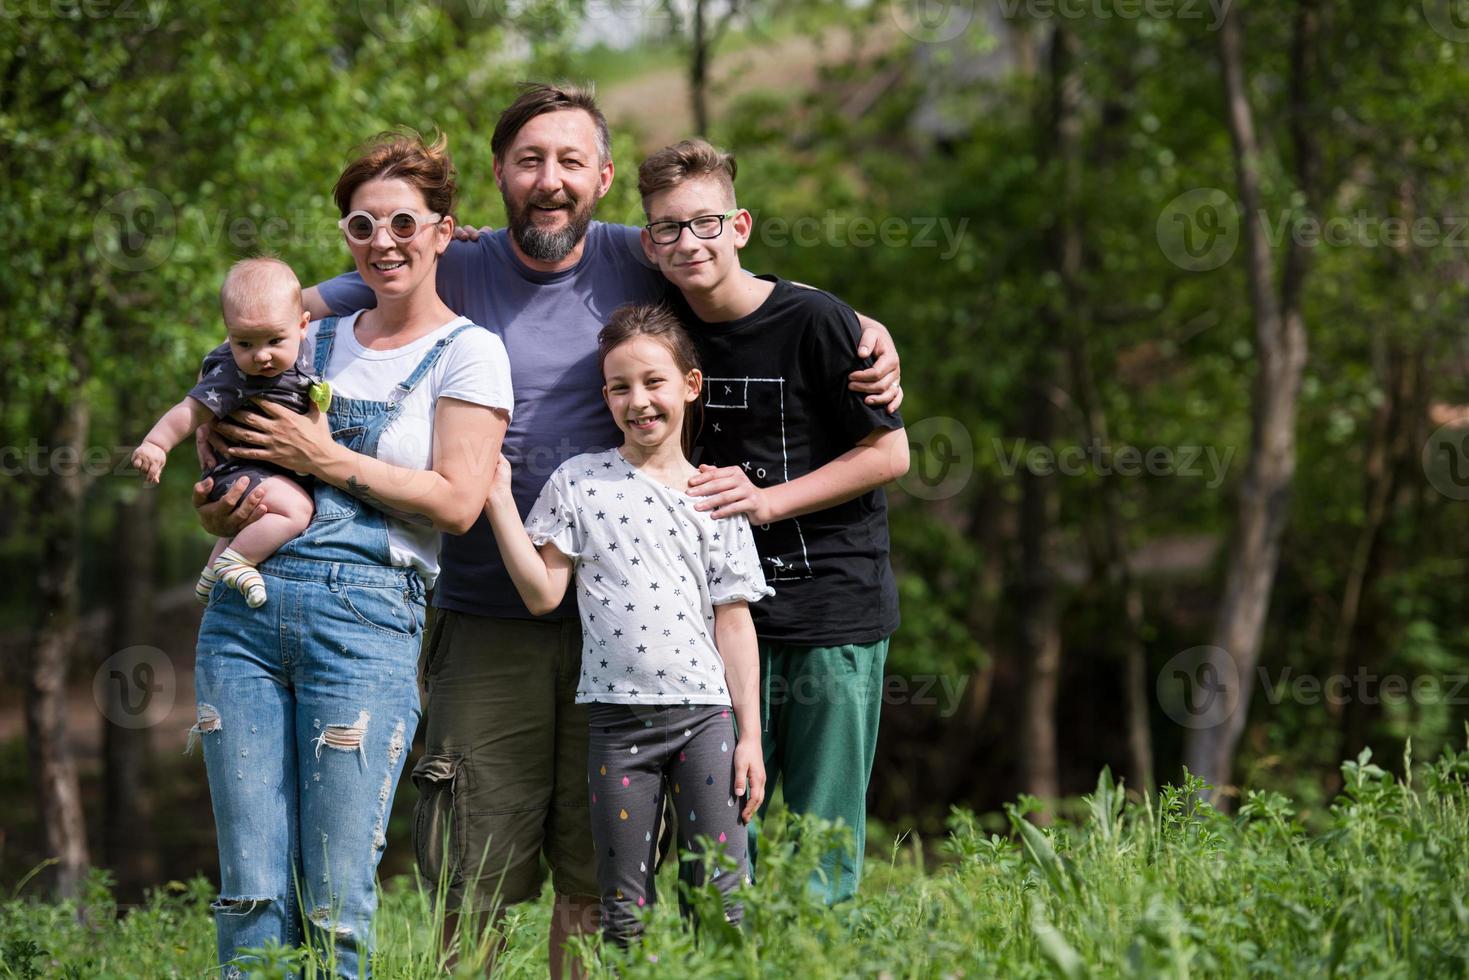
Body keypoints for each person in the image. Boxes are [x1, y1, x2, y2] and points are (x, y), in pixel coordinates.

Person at [212, 84, 898, 976]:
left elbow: (740, 281)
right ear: (498, 173)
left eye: (571, 161)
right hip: (485, 615)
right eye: (529, 160)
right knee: (474, 863)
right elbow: (290, 307)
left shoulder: (641, 256)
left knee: (597, 872)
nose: (550, 181)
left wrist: (859, 329)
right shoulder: (451, 261)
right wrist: (226, 406)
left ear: (604, 177)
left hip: (625, 634)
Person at [188, 130, 512, 978]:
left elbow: (458, 500)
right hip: (244, 618)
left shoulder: (470, 353)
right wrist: (219, 496)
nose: (383, 243)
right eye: (362, 226)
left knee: (334, 901)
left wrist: (327, 461)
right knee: (250, 891)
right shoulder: (303, 334)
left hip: (366, 622)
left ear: (445, 229)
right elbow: (226, 451)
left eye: (404, 222)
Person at [638, 138, 910, 905]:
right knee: (717, 853)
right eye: (666, 228)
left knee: (821, 852)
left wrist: (766, 500)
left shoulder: (817, 320)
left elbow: (888, 456)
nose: (688, 241)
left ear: (741, 225)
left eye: (704, 223)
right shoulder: (661, 331)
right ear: (649, 244)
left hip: (829, 611)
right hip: (712, 627)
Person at [485, 303, 770, 947]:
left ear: (690, 386)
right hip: (616, 725)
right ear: (606, 396)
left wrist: (750, 736)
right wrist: (499, 501)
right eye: (619, 387)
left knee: (723, 895)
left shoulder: (716, 493)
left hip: (707, 719)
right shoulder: (578, 483)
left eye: (653, 382)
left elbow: (735, 623)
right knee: (621, 910)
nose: (637, 401)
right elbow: (541, 594)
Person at [132, 257, 321, 609]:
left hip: (263, 471)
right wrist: (157, 443)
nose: (261, 356)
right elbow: (189, 410)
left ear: (302, 326)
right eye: (245, 343)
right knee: (297, 509)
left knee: (266, 510)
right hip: (236, 472)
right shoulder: (235, 375)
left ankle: (209, 575)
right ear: (230, 334)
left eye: (273, 340)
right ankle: (236, 561)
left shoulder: (297, 348)